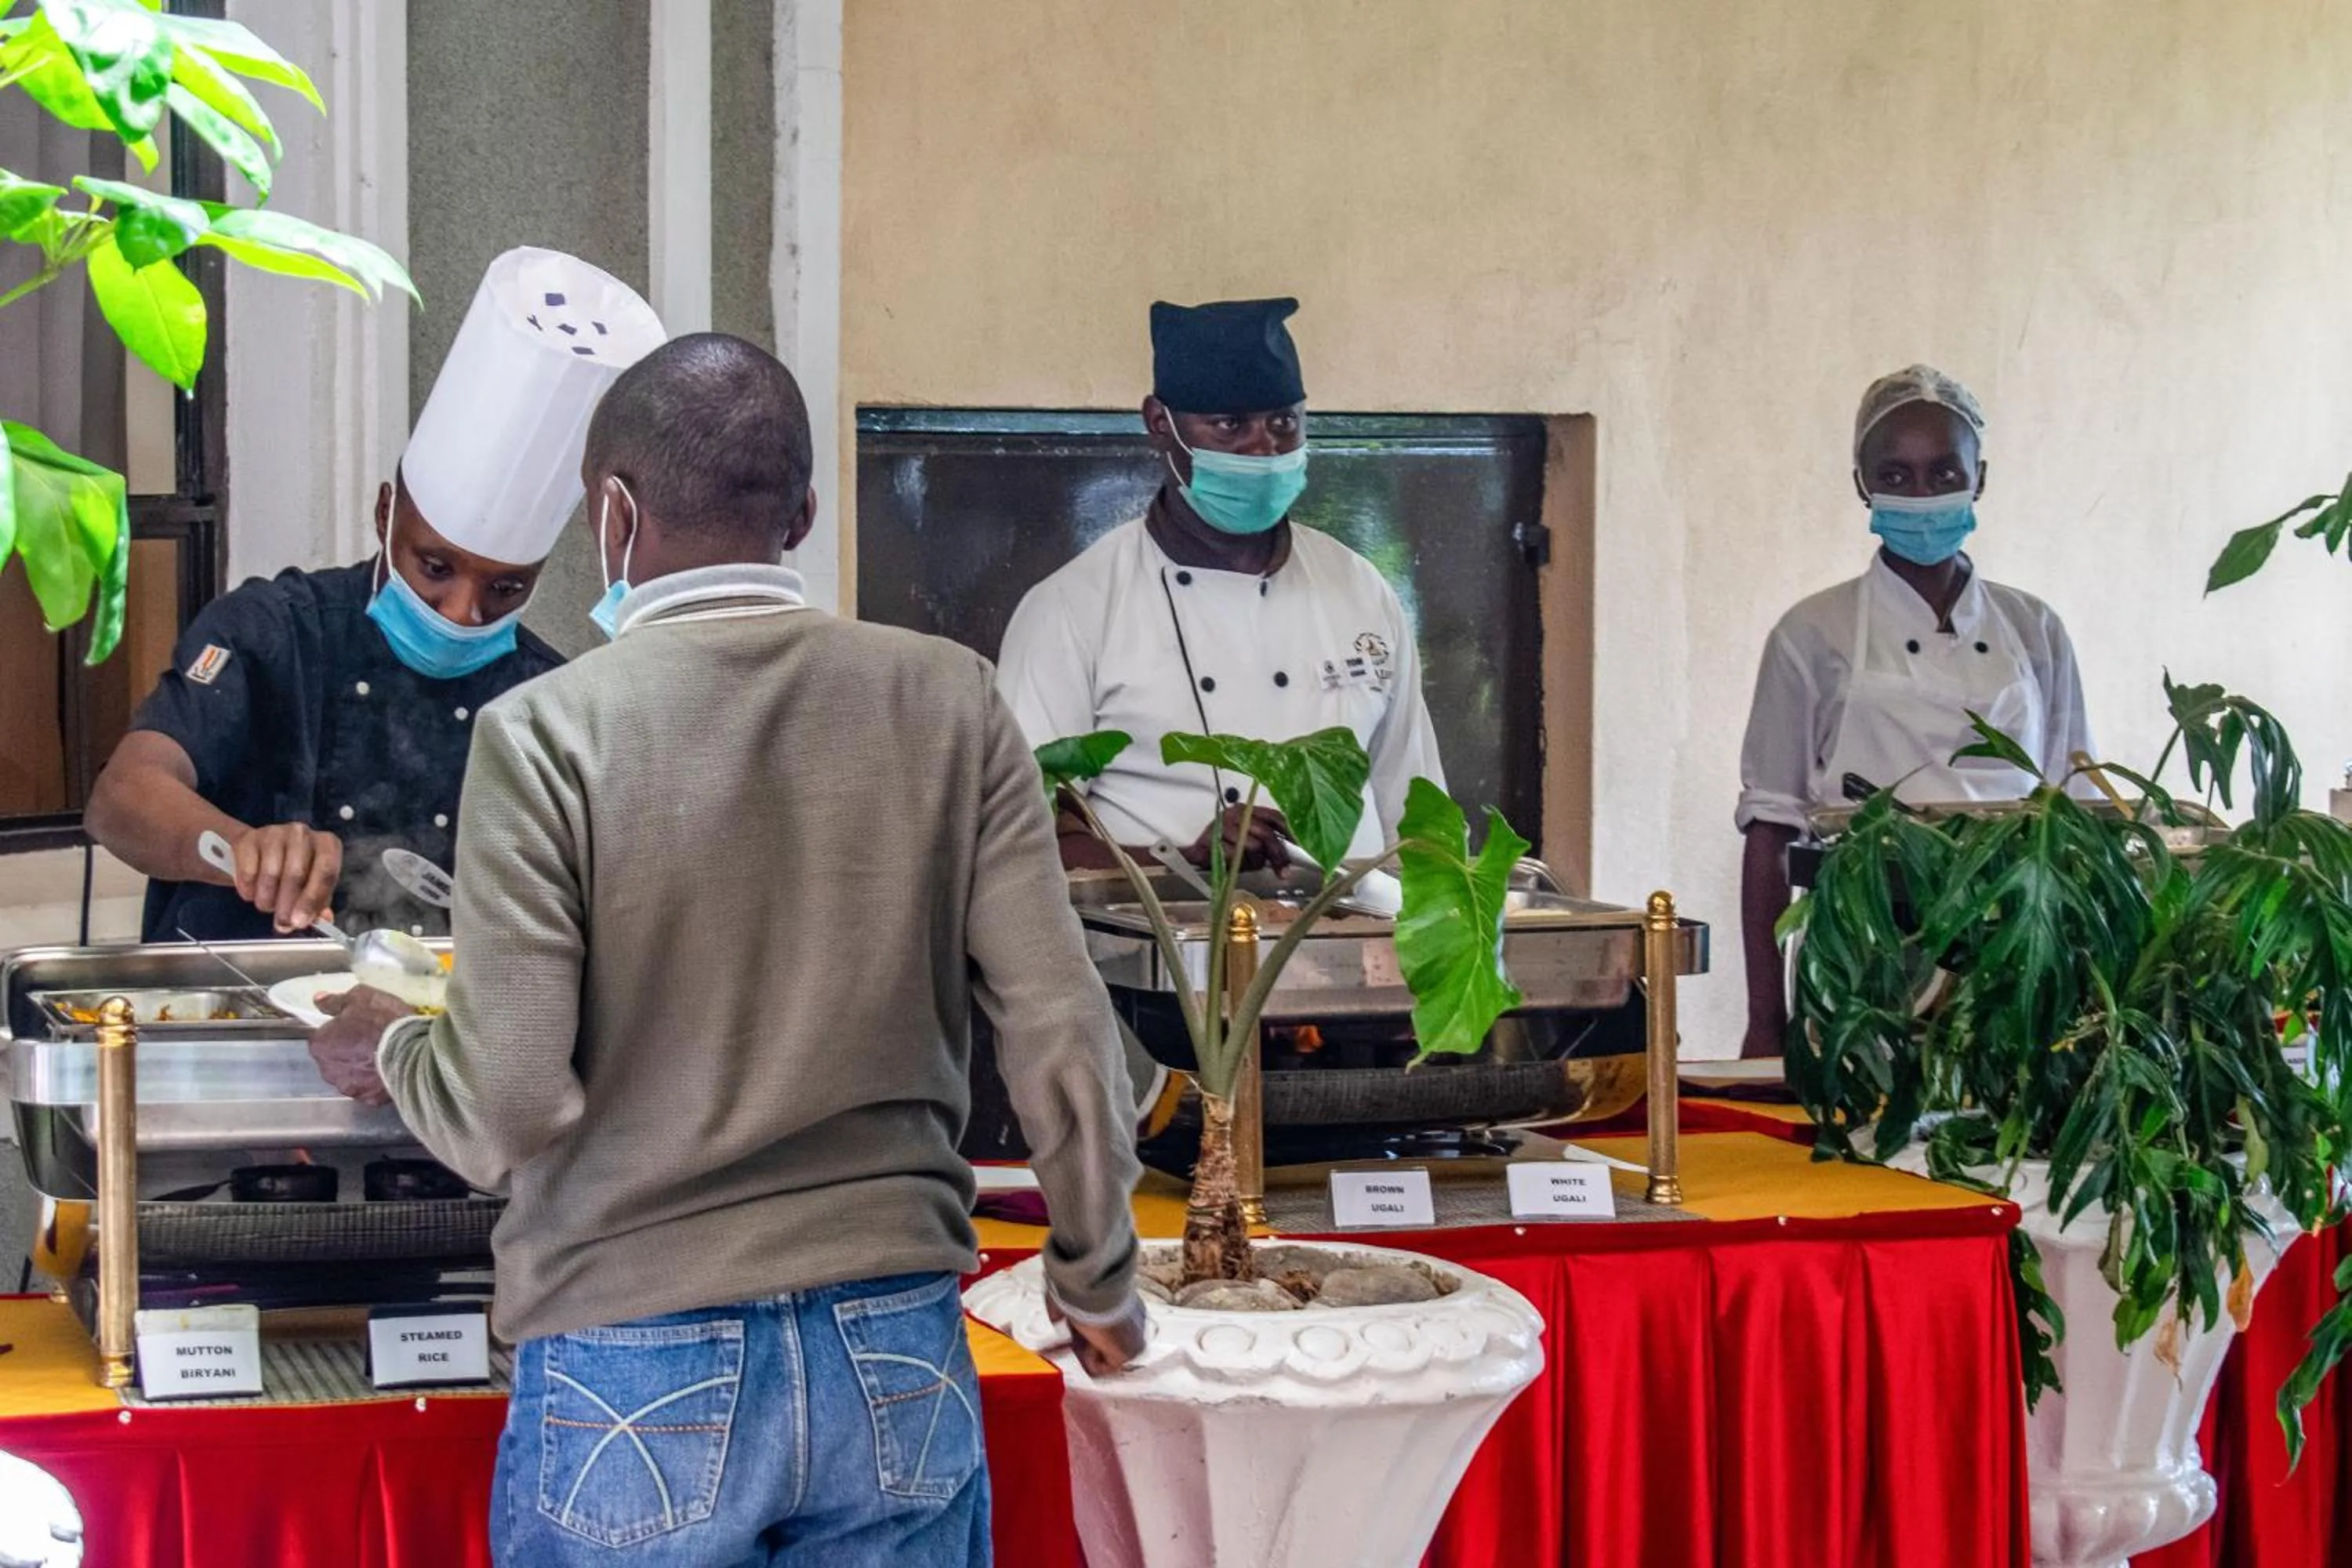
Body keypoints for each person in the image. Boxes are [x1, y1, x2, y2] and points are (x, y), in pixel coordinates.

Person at [307, 333, 1145, 1566]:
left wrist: (403, 1048)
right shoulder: (950, 700)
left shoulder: (545, 735)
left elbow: (505, 1104)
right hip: (894, 1349)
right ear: (803, 512)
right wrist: (1096, 1278)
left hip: (627, 1358)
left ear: (615, 512)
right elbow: (1063, 1029)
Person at [85, 248, 663, 942]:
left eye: (506, 588)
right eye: (436, 568)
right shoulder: (271, 633)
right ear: (386, 514)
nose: (461, 613)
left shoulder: (551, 704)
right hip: (230, 1014)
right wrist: (244, 849)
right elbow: (122, 799)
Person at [996, 296, 1445, 875]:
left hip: (1344, 949)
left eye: (1283, 422)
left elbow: (1414, 809)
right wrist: (1182, 863)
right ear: (1161, 424)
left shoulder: (1358, 588)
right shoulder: (1073, 608)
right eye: (1231, 425)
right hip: (1162, 956)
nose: (1264, 449)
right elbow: (1022, 839)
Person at [1735, 365, 2092, 1058]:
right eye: (1895, 476)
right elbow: (1769, 829)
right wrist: (1763, 1022)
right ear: (1861, 484)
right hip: (1862, 951)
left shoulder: (2035, 629)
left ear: (1978, 479)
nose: (1922, 495)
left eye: (1943, 473)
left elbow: (2073, 808)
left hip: (2013, 954)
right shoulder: (1812, 632)